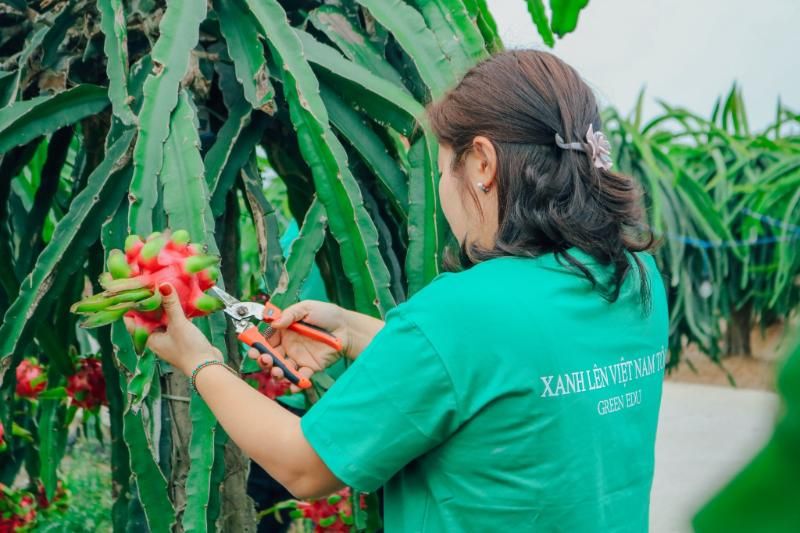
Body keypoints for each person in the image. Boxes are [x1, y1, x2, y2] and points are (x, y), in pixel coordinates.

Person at [131, 49, 668, 532]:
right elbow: (501, 372)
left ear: (482, 162)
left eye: (442, 170)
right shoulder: (637, 281)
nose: (443, 195)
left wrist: (196, 356)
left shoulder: (463, 311)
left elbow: (302, 465)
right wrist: (349, 329)